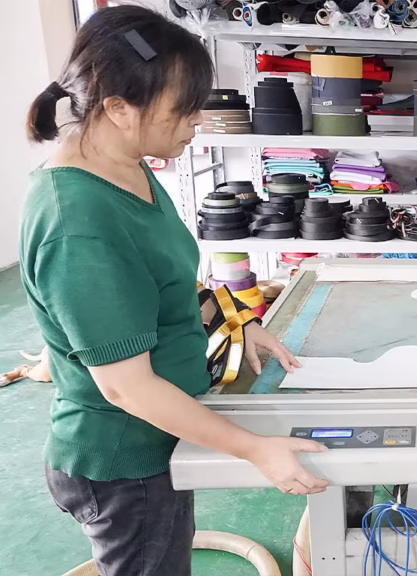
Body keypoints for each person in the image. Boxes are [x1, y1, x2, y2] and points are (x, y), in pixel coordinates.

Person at [21, 6, 328, 575]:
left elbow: (165, 278)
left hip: (162, 438)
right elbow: (127, 388)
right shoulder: (78, 223)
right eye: (183, 110)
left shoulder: (126, 167)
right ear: (119, 108)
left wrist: (237, 324)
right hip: (124, 461)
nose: (197, 123)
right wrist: (255, 449)